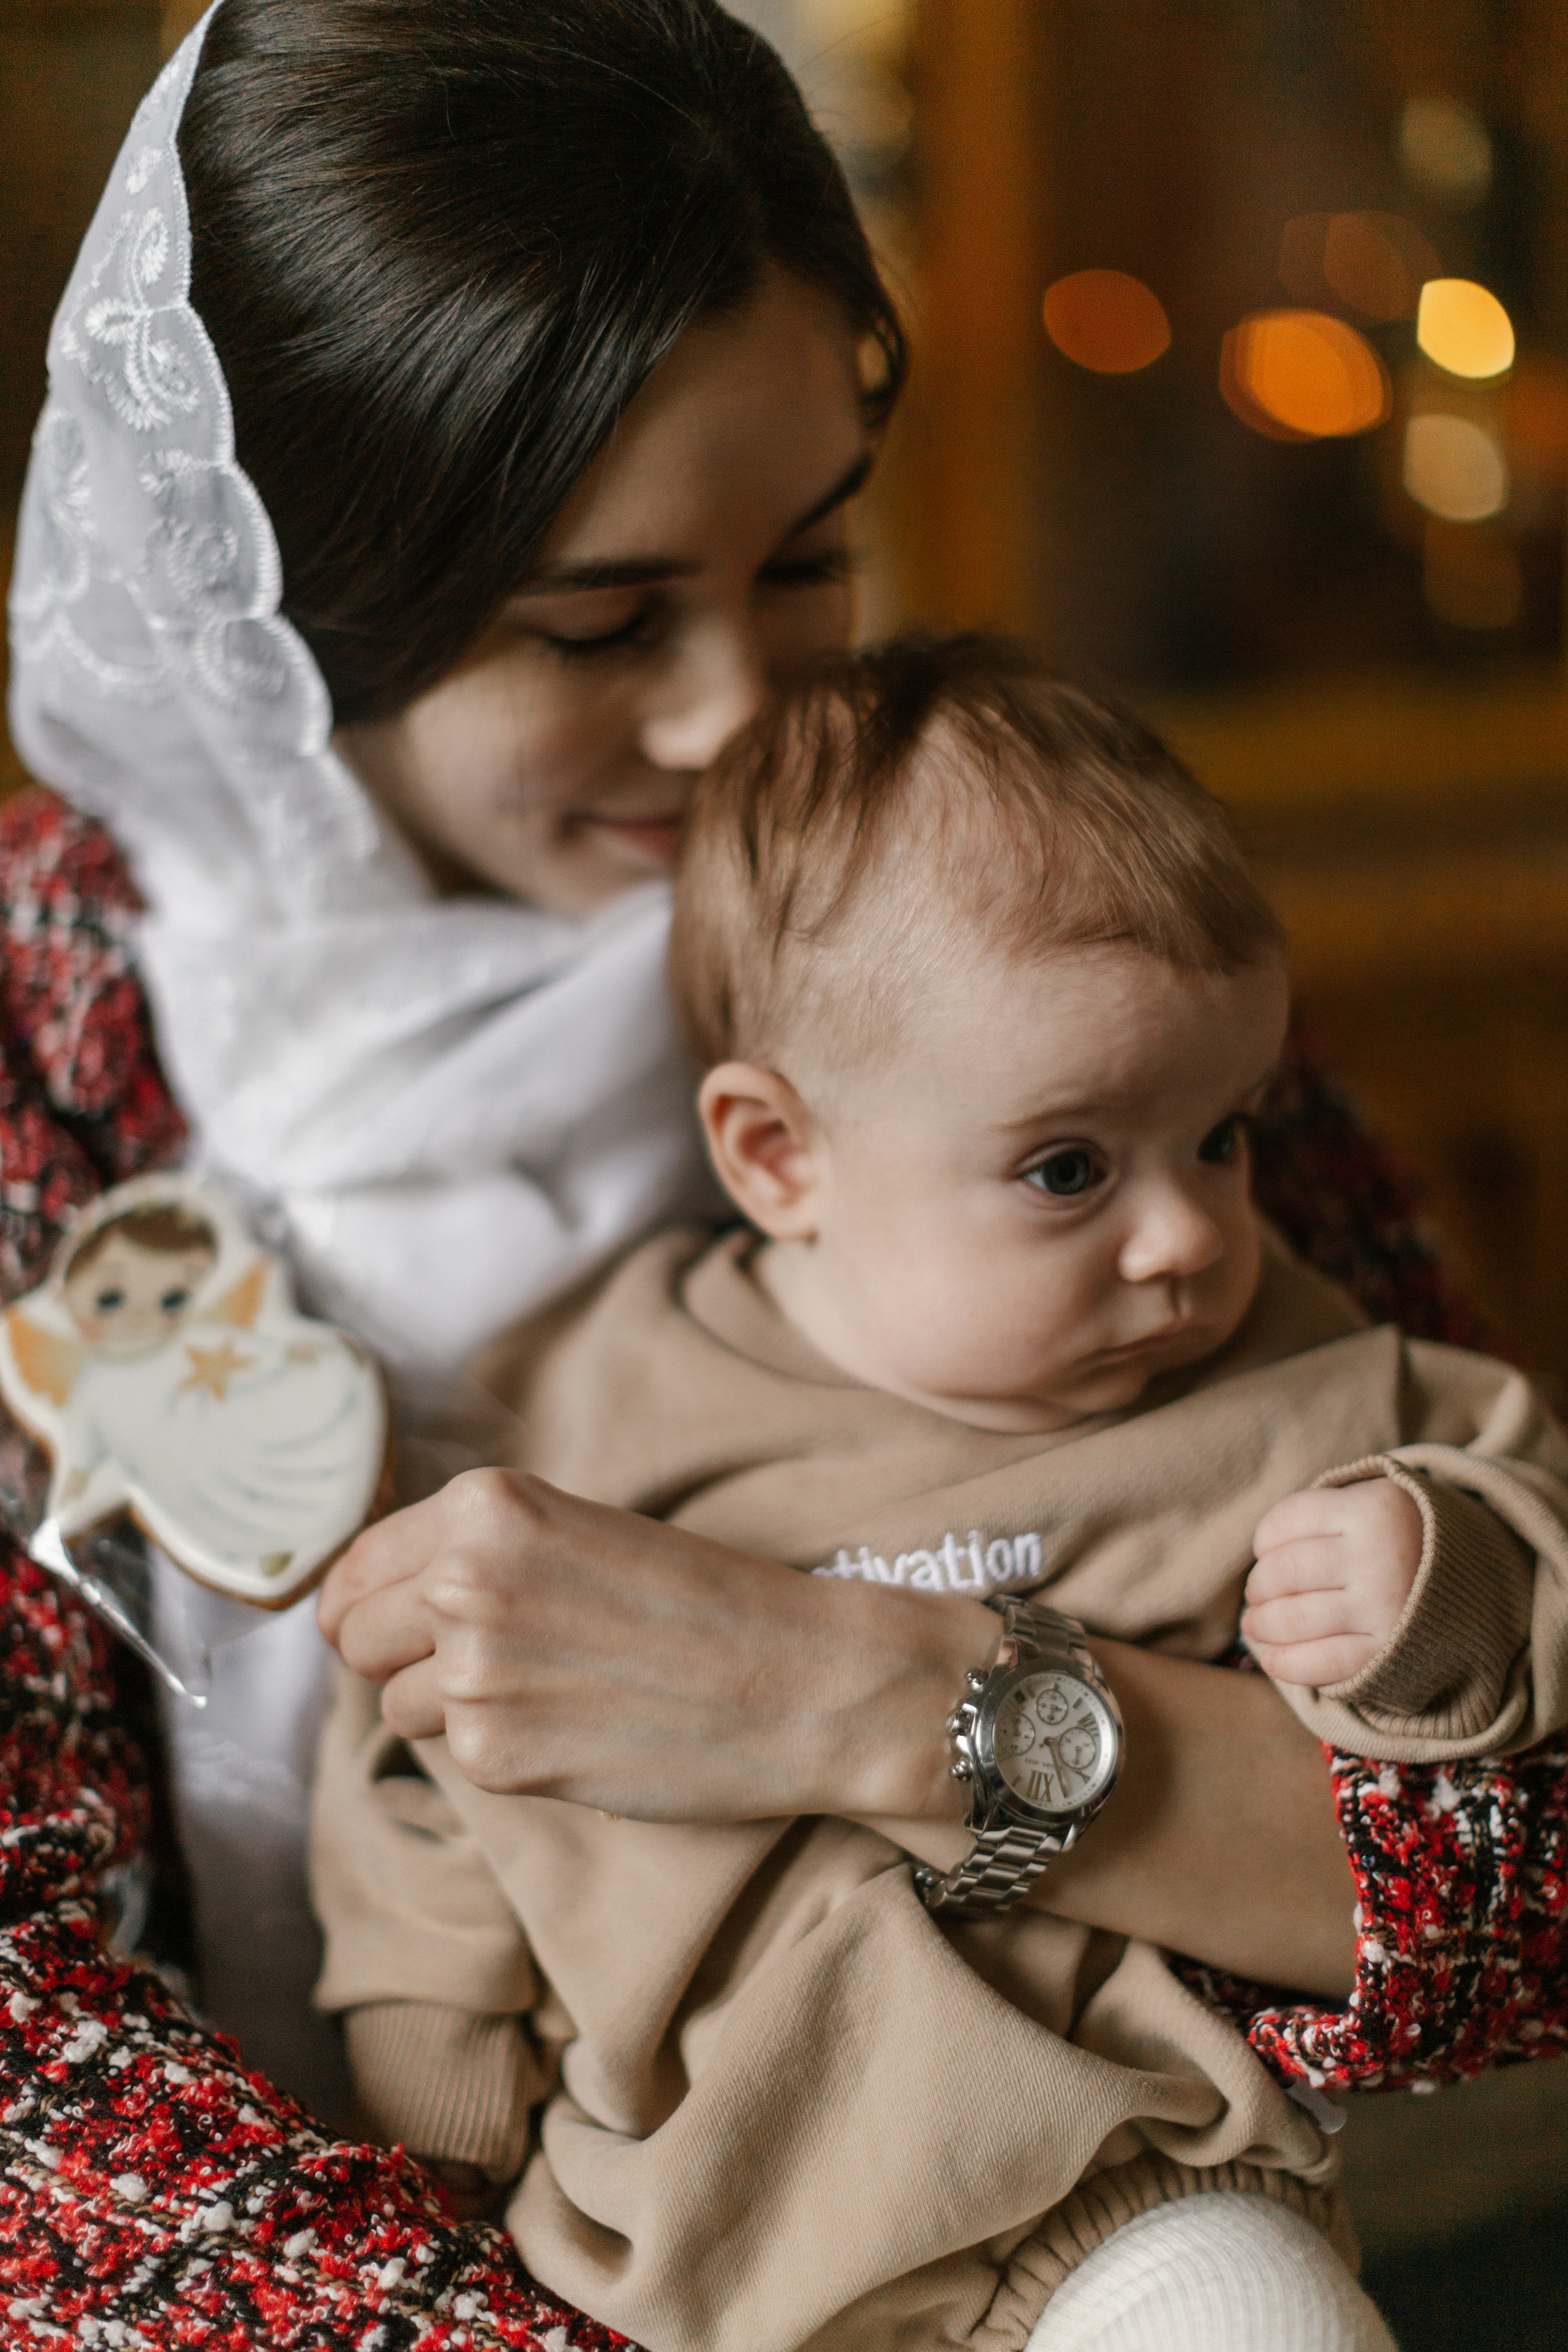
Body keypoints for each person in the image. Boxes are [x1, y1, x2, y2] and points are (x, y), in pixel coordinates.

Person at [0, 1, 1563, 2342]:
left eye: (810, 563)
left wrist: (857, 1690)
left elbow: (1516, 1867)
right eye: (606, 624)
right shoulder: (61, 1054)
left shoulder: (1012, 926)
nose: (742, 717)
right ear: (306, 609)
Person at [312, 639, 1568, 2352]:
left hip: (1119, 2183)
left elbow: (1515, 1497)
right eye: (1070, 1169)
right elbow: (418, 1736)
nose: (1190, 1233)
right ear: (778, 1158)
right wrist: (431, 2059)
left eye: (1223, 1133)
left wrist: (1439, 1575)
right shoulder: (585, 1403)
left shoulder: (1277, 1369)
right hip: (680, 2249)